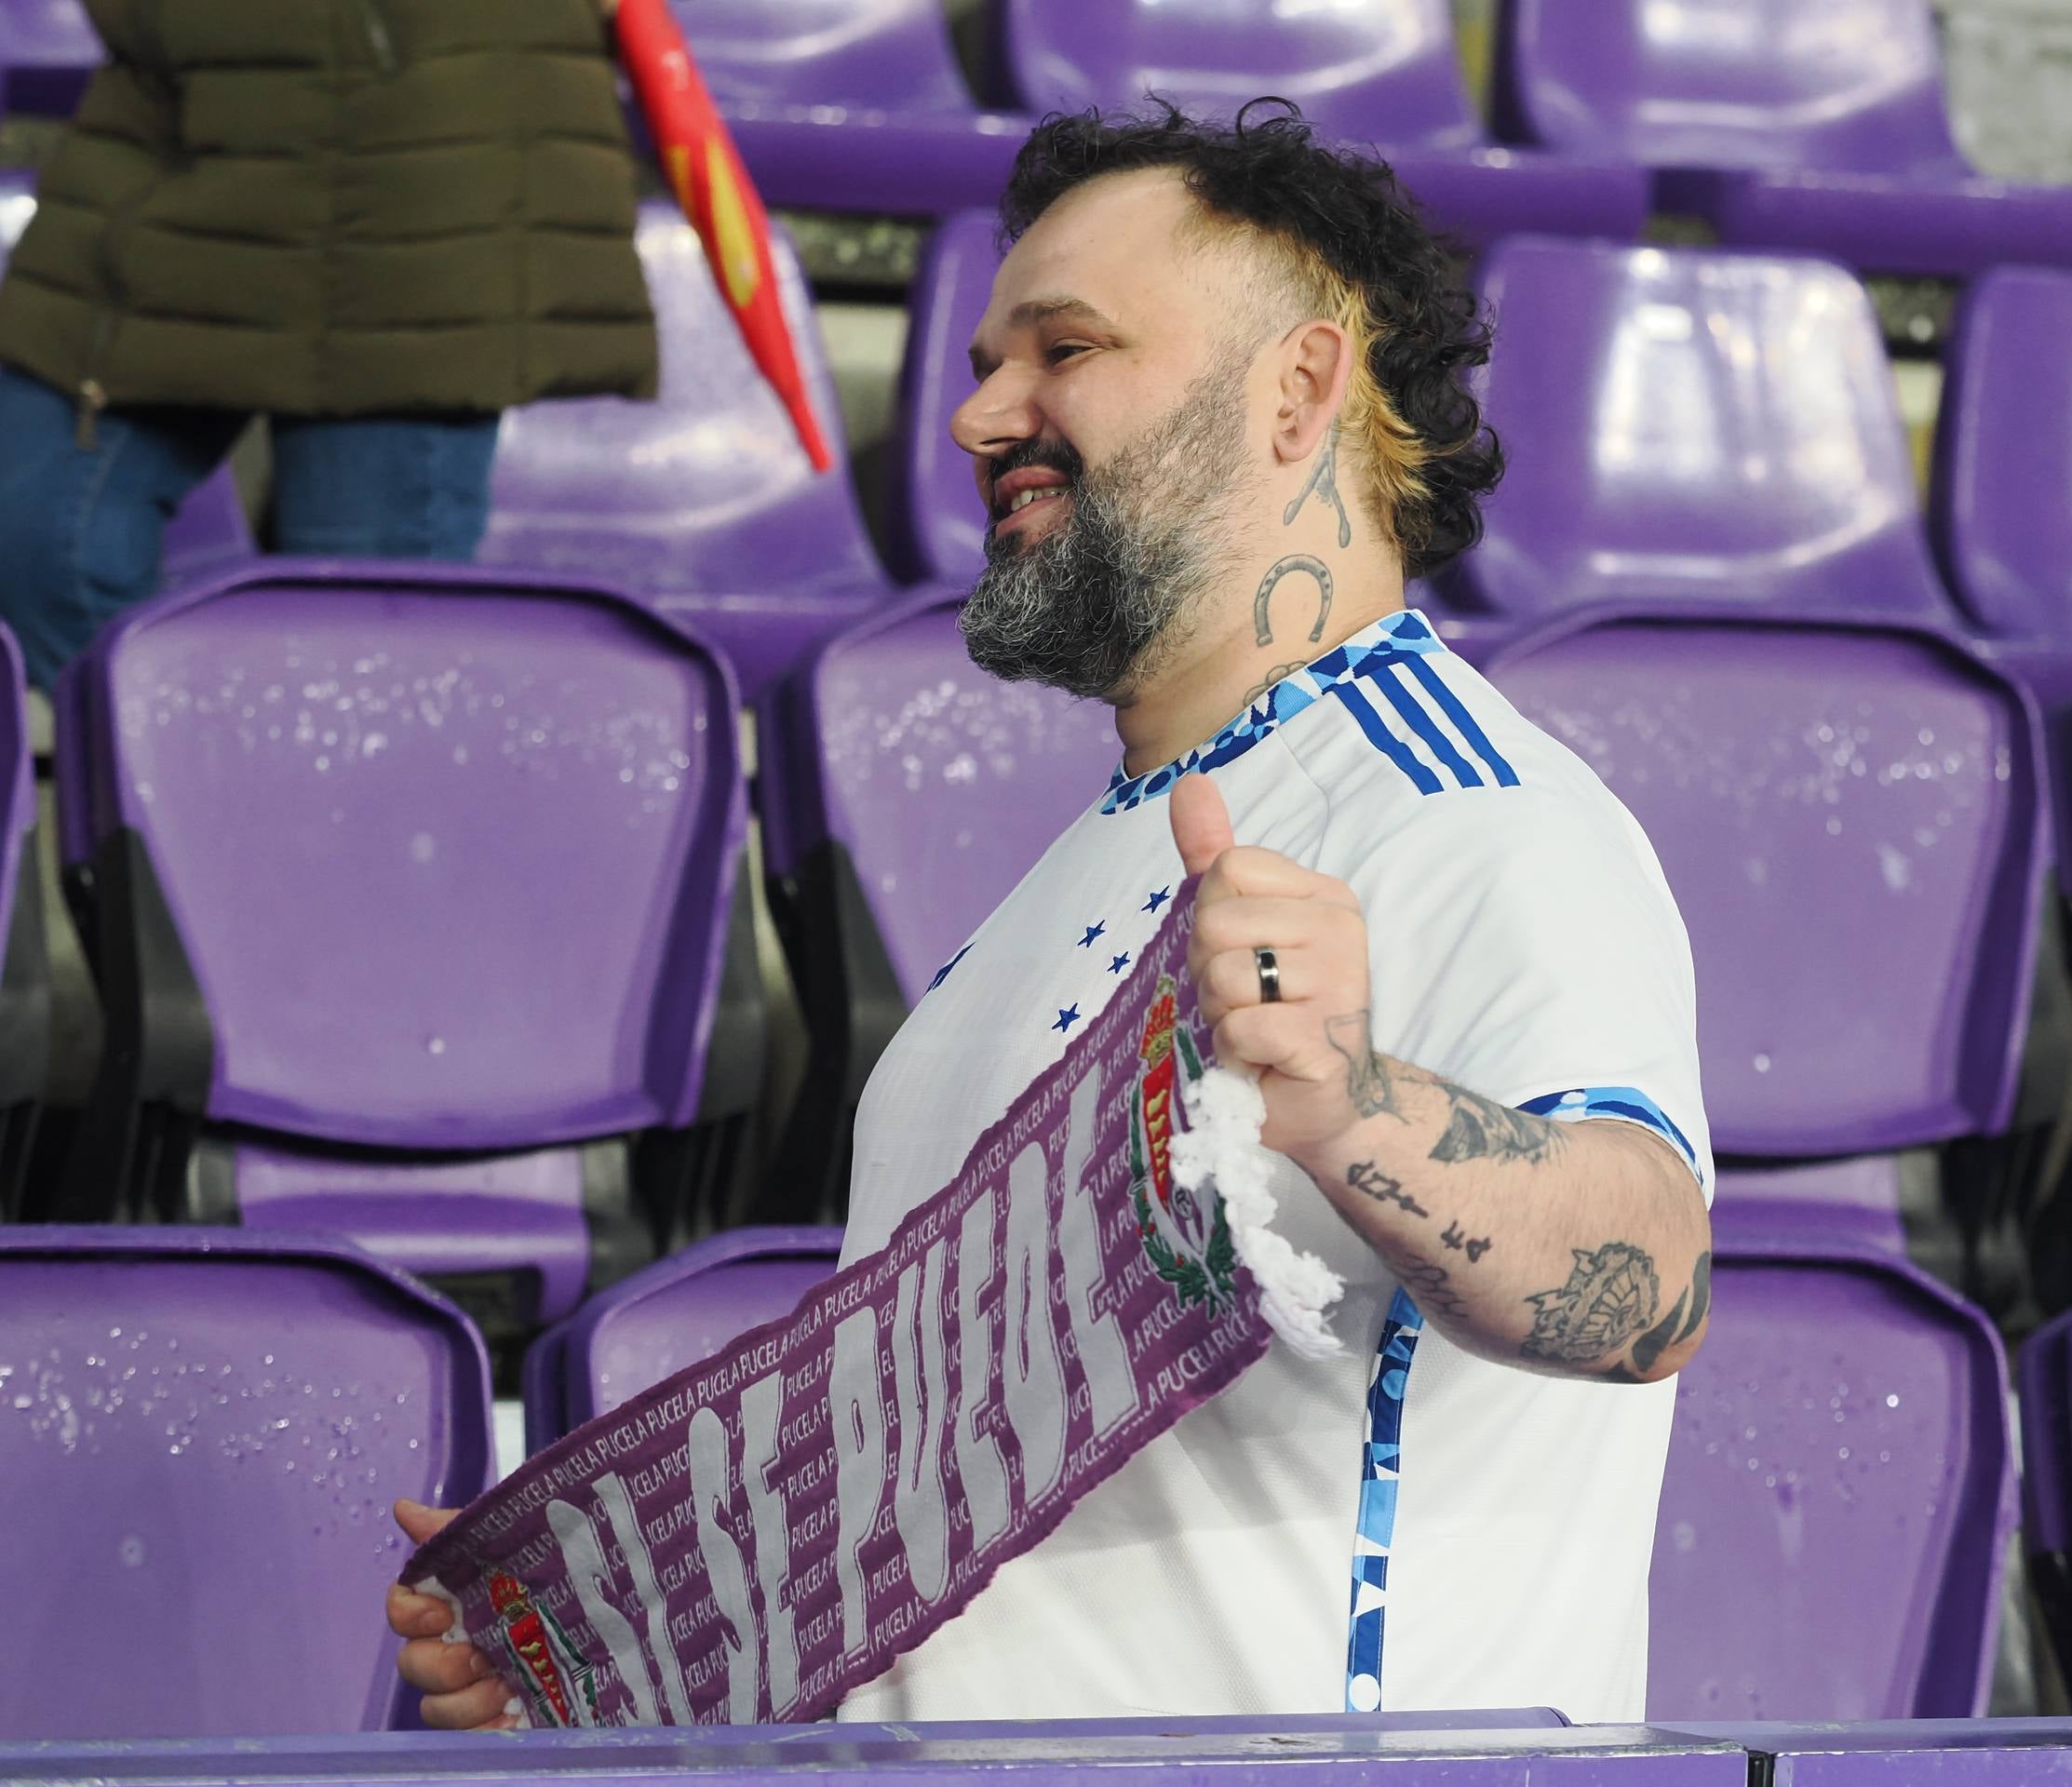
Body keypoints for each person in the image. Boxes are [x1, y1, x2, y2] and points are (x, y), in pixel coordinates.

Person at [388, 99, 1714, 1725]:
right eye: (979, 364)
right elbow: (987, 1520)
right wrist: (629, 1642)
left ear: (1300, 388)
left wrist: (1350, 1108)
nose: (978, 417)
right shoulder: (1086, 865)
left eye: (1063, 349)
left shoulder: (1468, 814)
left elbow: (1648, 1281)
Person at [0, 0, 655, 689]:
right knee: (36, 536)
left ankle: (276, 785)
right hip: (173, 110)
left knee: (365, 649)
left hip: (424, 135)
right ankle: (189, 775)